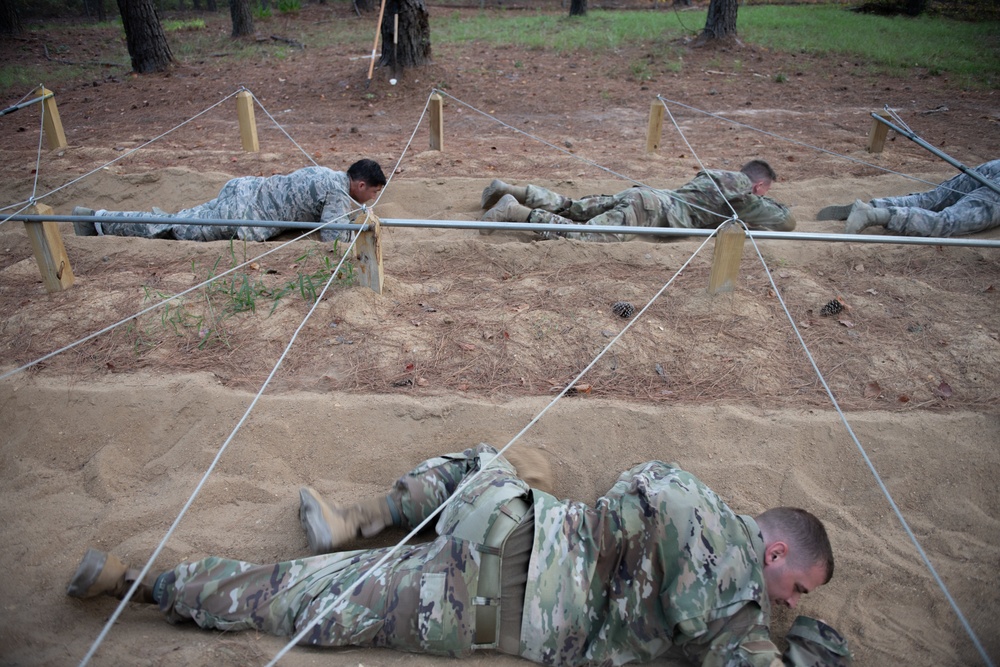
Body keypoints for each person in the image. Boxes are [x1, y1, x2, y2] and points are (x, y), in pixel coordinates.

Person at [67, 443, 852, 666]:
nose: (789, 601)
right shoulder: (738, 604)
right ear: (774, 548)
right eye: (797, 586)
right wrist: (815, 645)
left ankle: (364, 518)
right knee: (299, 600)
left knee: (487, 456)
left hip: (505, 517)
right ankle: (139, 584)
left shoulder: (680, 481)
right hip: (495, 608)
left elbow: (630, 484)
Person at [71, 159, 387, 243]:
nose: (372, 198)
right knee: (172, 227)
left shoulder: (328, 174)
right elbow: (333, 240)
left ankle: (100, 218)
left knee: (176, 219)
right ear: (360, 184)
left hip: (241, 191)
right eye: (372, 192)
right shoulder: (336, 193)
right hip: (242, 215)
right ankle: (97, 221)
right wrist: (360, 226)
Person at [479, 160, 796, 242]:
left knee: (573, 208)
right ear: (759, 185)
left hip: (643, 195)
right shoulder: (743, 197)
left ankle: (512, 188)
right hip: (649, 211)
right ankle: (514, 209)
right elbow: (786, 223)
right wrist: (769, 204)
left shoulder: (714, 175)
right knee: (582, 234)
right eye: (764, 191)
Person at [818, 159, 1000, 237]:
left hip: (994, 166)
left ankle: (875, 206)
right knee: (948, 221)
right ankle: (874, 215)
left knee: (932, 199)